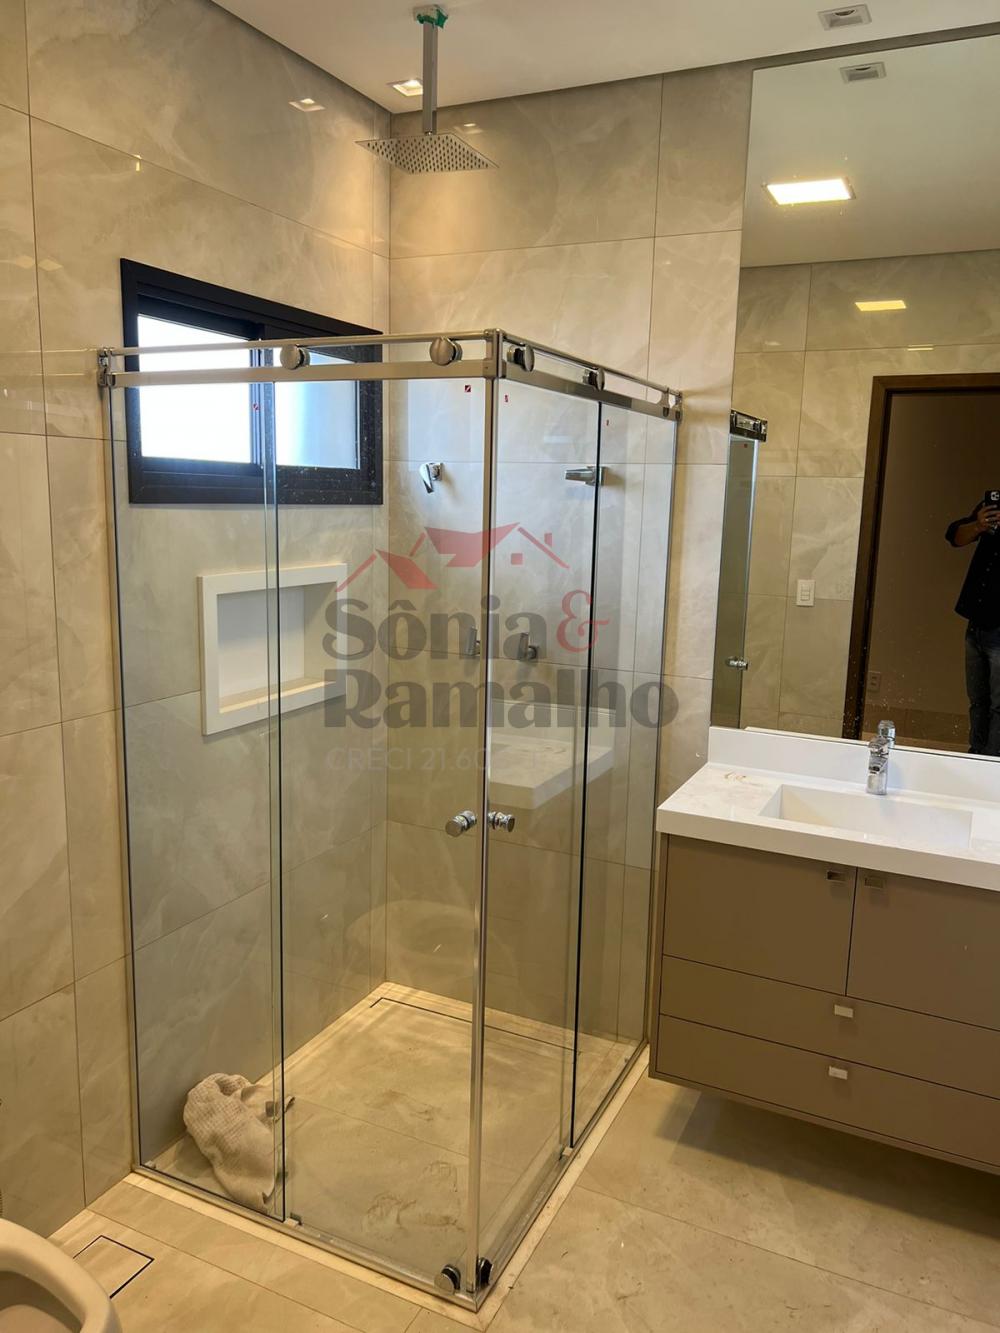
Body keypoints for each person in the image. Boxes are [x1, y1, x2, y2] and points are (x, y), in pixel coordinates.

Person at [947, 497, 1000, 755]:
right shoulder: (993, 507)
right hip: (977, 621)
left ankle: (991, 765)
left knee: (999, 706)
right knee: (978, 701)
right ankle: (976, 755)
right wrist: (979, 525)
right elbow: (954, 536)